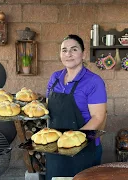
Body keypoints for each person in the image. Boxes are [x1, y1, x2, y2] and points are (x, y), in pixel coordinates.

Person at [45, 34, 107, 180]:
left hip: (84, 147)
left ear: (83, 54)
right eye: (64, 50)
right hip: (56, 148)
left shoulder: (93, 81)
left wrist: (73, 140)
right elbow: (49, 109)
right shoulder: (55, 78)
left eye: (74, 49)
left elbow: (98, 117)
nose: (68, 54)